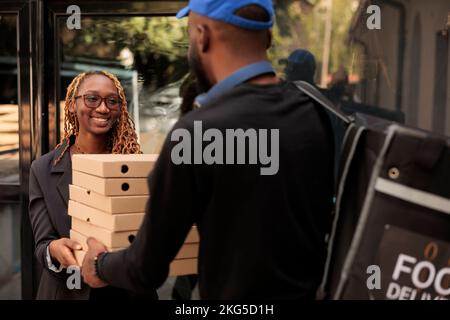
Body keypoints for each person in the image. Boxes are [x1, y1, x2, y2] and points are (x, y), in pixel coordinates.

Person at [83, 0, 335, 300]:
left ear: (201, 36)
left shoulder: (196, 133)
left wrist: (99, 265)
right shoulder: (317, 115)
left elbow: (144, 269)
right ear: (267, 39)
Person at [28, 70, 156, 300]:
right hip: (68, 291)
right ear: (71, 105)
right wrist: (54, 250)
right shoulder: (43, 169)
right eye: (92, 98)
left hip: (127, 291)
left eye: (112, 101)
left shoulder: (134, 166)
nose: (103, 108)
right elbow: (42, 245)